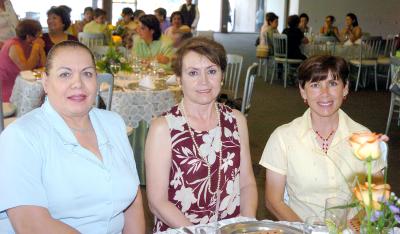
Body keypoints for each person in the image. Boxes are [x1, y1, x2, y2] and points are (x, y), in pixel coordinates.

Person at [0, 40, 145, 233]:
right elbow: (31, 225)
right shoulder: (21, 136)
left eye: (87, 73)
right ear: (45, 82)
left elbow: (133, 199)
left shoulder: (113, 123)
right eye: (65, 74)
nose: (78, 84)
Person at [145, 37, 258, 232]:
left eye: (212, 71)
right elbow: (157, 202)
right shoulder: (163, 128)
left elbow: (247, 183)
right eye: (193, 73)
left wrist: (245, 226)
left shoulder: (236, 120)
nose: (204, 81)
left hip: (231, 228)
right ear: (179, 79)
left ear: (222, 75)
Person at [260, 55, 385, 221]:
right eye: (315, 85)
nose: (325, 94)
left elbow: (375, 197)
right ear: (303, 91)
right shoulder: (283, 138)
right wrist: (306, 232)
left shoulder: (365, 138)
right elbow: (273, 201)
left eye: (332, 84)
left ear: (345, 88)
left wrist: (348, 231)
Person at [0, 19, 45, 102]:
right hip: (9, 90)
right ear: (28, 37)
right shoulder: (14, 45)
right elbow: (26, 69)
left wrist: (40, 49)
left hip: (23, 84)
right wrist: (35, 48)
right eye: (37, 36)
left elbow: (43, 65)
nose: (40, 39)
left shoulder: (28, 44)